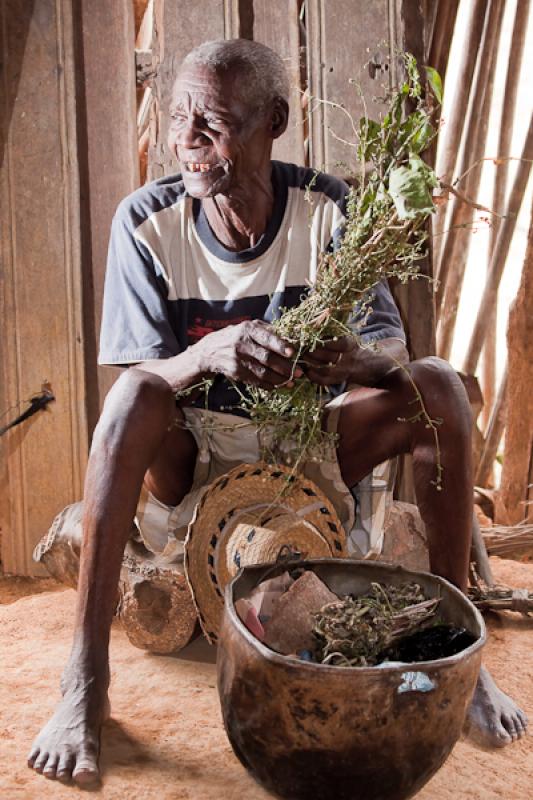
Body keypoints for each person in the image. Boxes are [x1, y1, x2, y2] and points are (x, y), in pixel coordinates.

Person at [28, 38, 527, 786]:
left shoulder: (328, 207)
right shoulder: (147, 221)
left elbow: (389, 356)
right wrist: (208, 352)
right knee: (134, 393)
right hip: (194, 458)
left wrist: (347, 359)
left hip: (312, 450)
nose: (187, 140)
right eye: (178, 118)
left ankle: (462, 653)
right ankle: (85, 684)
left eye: (215, 122)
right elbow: (141, 377)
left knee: (435, 383)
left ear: (274, 121)